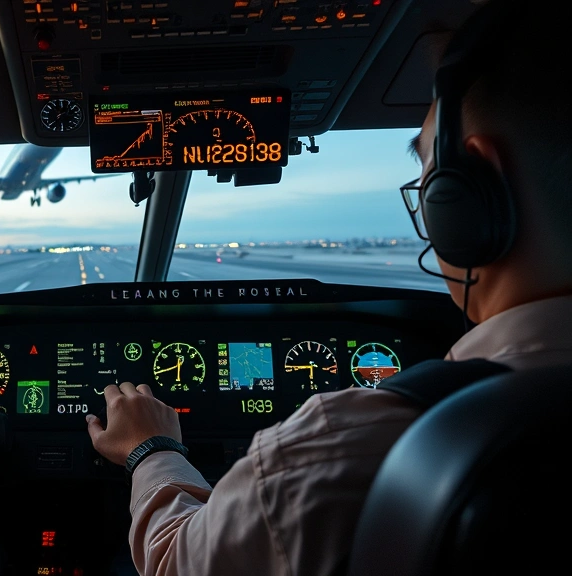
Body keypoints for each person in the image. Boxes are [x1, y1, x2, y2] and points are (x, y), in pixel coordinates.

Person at [84, 1, 572, 575]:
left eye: (427, 175)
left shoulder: (338, 450)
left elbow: (174, 561)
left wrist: (151, 451)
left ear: (462, 203)